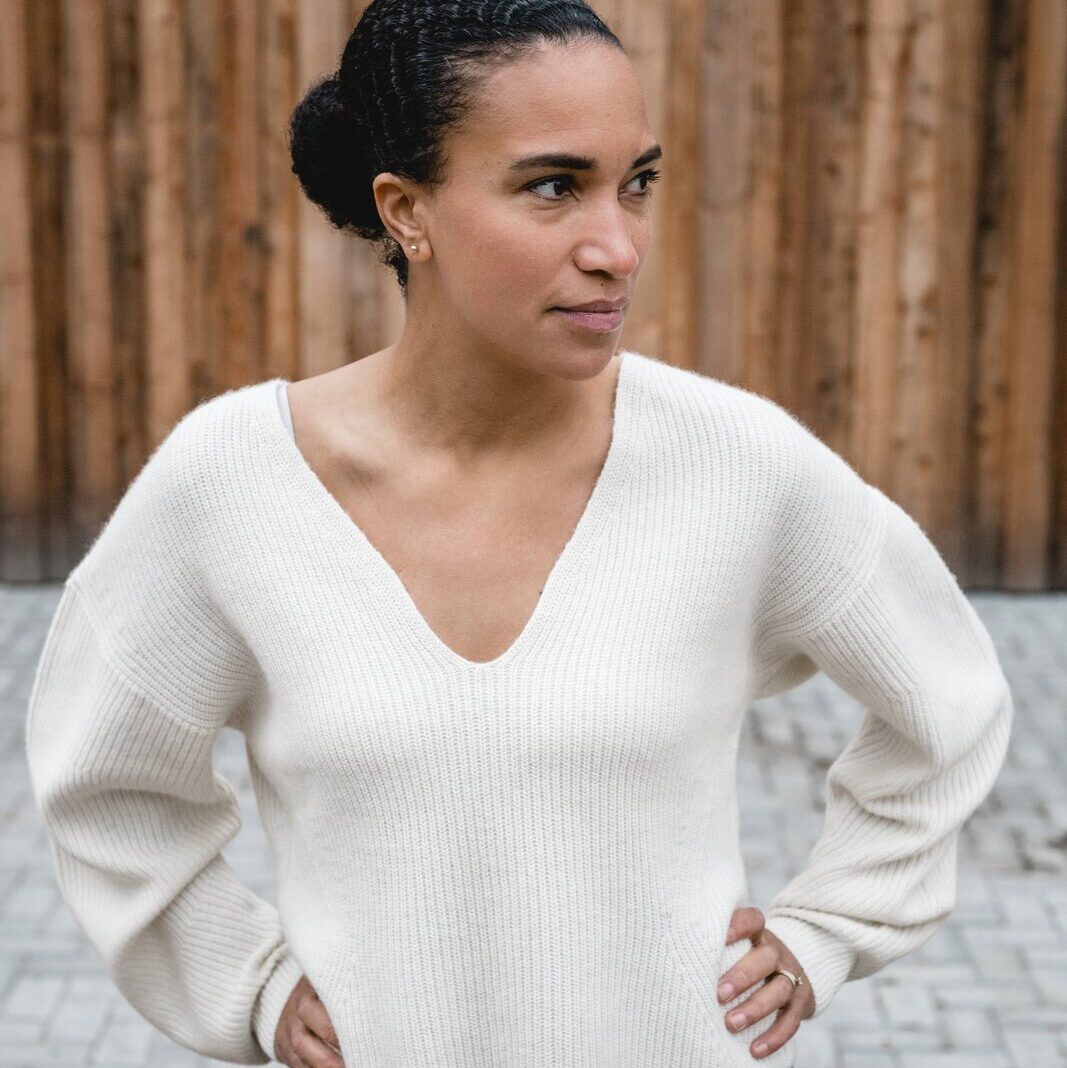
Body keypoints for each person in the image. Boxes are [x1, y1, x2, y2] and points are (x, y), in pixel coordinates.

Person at [24, 1, 1014, 1066]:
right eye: (553, 187)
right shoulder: (231, 485)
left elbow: (946, 703)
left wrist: (830, 927)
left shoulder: (736, 466)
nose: (617, 247)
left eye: (636, 183)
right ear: (407, 211)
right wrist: (246, 980)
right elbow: (107, 784)